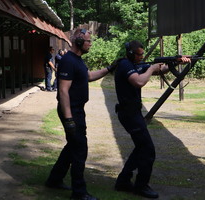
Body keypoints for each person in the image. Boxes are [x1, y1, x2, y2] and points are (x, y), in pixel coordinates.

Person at [45, 28, 116, 200]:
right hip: (71, 111)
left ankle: (54, 179)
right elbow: (63, 91)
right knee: (79, 149)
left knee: (72, 147)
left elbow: (88, 76)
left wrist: (109, 68)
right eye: (88, 41)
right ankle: (79, 192)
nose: (90, 44)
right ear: (78, 42)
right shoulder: (69, 61)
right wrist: (69, 118)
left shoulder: (77, 60)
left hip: (77, 110)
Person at [114, 40, 190, 199]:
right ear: (130, 54)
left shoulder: (134, 64)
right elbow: (139, 81)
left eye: (143, 54)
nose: (142, 57)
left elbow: (160, 70)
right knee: (148, 150)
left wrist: (175, 62)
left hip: (133, 113)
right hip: (129, 114)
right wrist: (151, 69)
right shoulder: (125, 65)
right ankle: (141, 186)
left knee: (141, 147)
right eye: (139, 54)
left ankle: (123, 181)